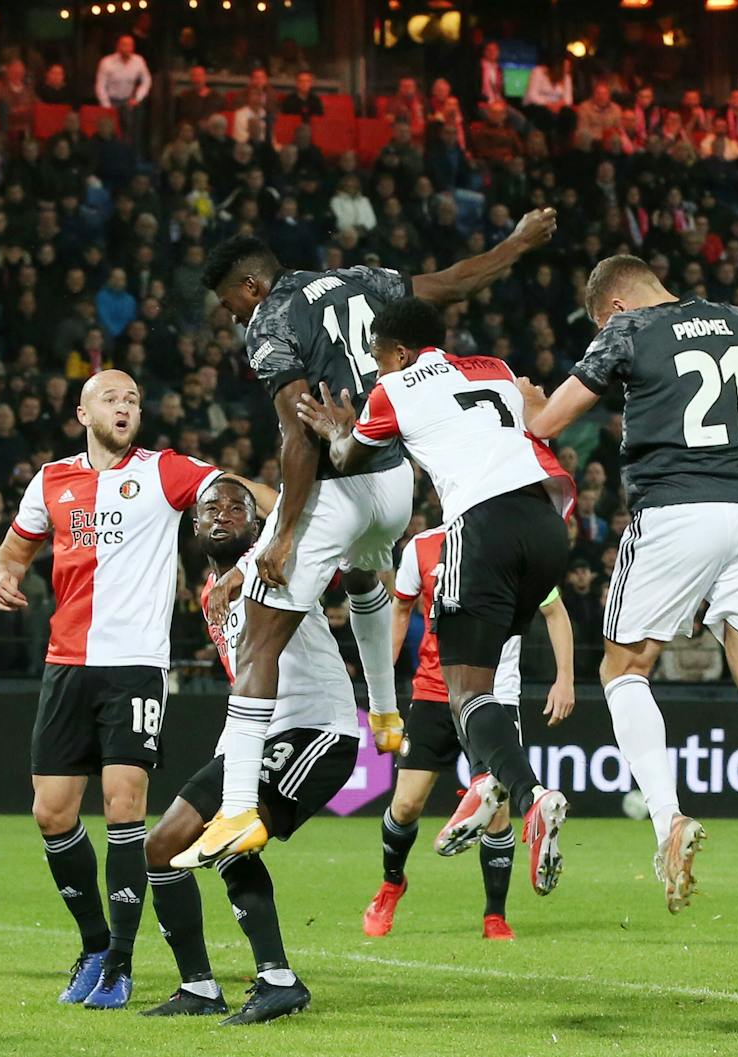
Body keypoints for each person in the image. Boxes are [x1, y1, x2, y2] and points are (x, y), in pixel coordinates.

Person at [177, 209, 558, 871]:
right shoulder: (362, 280)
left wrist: (282, 534)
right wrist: (518, 244)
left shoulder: (272, 318)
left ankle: (238, 807)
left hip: (339, 484)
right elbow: (450, 284)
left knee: (257, 636)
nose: (233, 317)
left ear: (249, 287)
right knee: (364, 575)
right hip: (395, 486)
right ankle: (385, 711)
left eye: (228, 303)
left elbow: (300, 435)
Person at [528, 254, 738, 916]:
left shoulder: (626, 332)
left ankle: (667, 821)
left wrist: (528, 398)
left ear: (613, 308)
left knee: (624, 667)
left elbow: (545, 425)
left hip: (675, 508)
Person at [0, 369, 265, 1010]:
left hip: (135, 665)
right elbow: (13, 553)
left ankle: (121, 962)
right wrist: (1, 577)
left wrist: (265, 533)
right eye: (111, 398)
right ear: (82, 413)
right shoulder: (51, 480)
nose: (125, 406)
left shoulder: (166, 471)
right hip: (66, 663)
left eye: (134, 398)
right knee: (51, 812)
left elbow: (237, 493)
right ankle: (92, 944)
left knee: (123, 806)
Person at [296, 296, 576, 896]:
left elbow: (348, 461)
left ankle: (530, 797)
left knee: (464, 688)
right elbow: (538, 417)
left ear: (398, 351)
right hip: (550, 522)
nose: (374, 368)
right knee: (486, 674)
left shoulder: (391, 392)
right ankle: (488, 782)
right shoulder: (495, 368)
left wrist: (336, 430)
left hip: (482, 527)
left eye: (376, 356)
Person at [142, 478, 351, 1024]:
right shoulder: (211, 590)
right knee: (162, 845)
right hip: (257, 736)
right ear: (195, 526)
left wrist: (263, 532)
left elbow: (296, 514)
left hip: (315, 729)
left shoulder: (280, 561)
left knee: (234, 844)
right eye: (212, 508)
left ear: (257, 525)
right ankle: (199, 988)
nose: (224, 515)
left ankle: (278, 980)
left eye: (239, 508)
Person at [363, 523, 576, 940]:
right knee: (405, 805)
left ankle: (494, 915)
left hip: (496, 693)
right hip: (432, 692)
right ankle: (392, 884)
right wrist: (382, 688)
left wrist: (564, 678)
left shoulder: (513, 542)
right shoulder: (422, 547)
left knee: (495, 809)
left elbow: (555, 611)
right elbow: (401, 609)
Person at [93, 36, 150, 147]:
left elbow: (147, 80)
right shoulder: (107, 62)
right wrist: (106, 105)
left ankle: (131, 156)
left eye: (129, 45)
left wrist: (138, 97)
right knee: (110, 132)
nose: (127, 48)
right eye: (124, 45)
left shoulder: (139, 61)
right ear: (118, 46)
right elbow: (100, 85)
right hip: (111, 101)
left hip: (128, 101)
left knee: (131, 132)